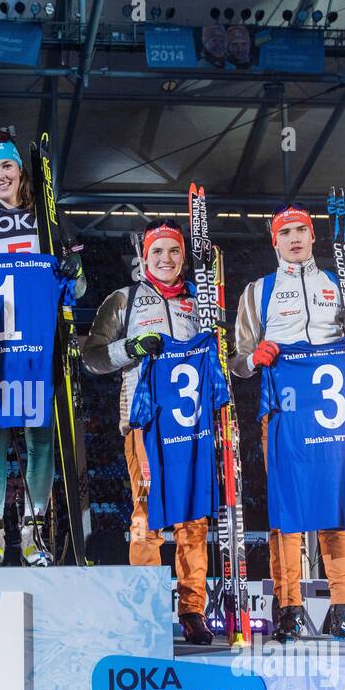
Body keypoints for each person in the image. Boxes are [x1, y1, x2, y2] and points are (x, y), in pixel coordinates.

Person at [228, 204, 345, 642]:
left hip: (335, 409)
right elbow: (237, 361)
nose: (295, 238)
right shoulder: (258, 291)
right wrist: (253, 358)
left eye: (302, 230)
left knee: (336, 509)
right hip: (284, 408)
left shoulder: (340, 283)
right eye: (286, 232)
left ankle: (343, 607)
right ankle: (289, 609)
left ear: (314, 236)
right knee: (289, 511)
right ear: (275, 241)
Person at [81, 219, 215, 645]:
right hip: (144, 419)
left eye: (174, 251)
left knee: (193, 519)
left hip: (193, 421)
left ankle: (193, 610)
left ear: (183, 256)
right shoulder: (125, 299)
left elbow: (223, 351)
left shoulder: (200, 300)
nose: (166, 259)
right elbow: (93, 357)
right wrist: (132, 348)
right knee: (146, 514)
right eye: (158, 252)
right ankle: (148, 607)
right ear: (144, 257)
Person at [0, 131, 85, 566]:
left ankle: (35, 534)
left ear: (22, 170)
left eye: (6, 167)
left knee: (40, 441)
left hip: (40, 347)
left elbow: (81, 285)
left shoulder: (50, 220)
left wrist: (73, 272)